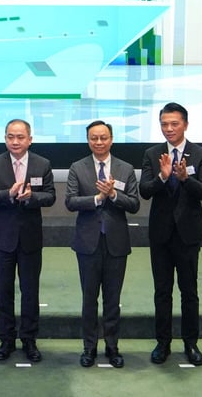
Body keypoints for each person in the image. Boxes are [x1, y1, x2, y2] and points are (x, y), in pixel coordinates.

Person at [139, 102, 202, 366]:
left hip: (188, 233)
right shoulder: (152, 154)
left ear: (185, 124)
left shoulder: (200, 154)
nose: (168, 129)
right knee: (162, 291)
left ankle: (191, 343)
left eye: (174, 124)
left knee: (189, 291)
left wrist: (185, 179)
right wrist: (163, 176)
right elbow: (145, 191)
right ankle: (163, 343)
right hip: (160, 234)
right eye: (164, 124)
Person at [65, 121, 140, 368]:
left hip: (116, 243)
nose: (99, 142)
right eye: (94, 138)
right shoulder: (78, 167)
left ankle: (112, 346)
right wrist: (98, 198)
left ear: (112, 139)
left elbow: (134, 204)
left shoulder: (125, 168)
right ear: (88, 140)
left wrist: (114, 195)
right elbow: (71, 202)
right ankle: (89, 347)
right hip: (87, 243)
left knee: (112, 298)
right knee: (89, 298)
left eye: (103, 138)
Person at [0, 118, 55, 363]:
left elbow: (51, 197)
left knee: (30, 291)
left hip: (30, 238)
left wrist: (31, 197)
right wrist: (9, 194)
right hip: (3, 238)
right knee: (3, 291)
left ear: (30, 139)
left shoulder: (42, 163)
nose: (15, 141)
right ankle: (6, 339)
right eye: (11, 137)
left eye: (20, 137)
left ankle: (29, 338)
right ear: (5, 138)